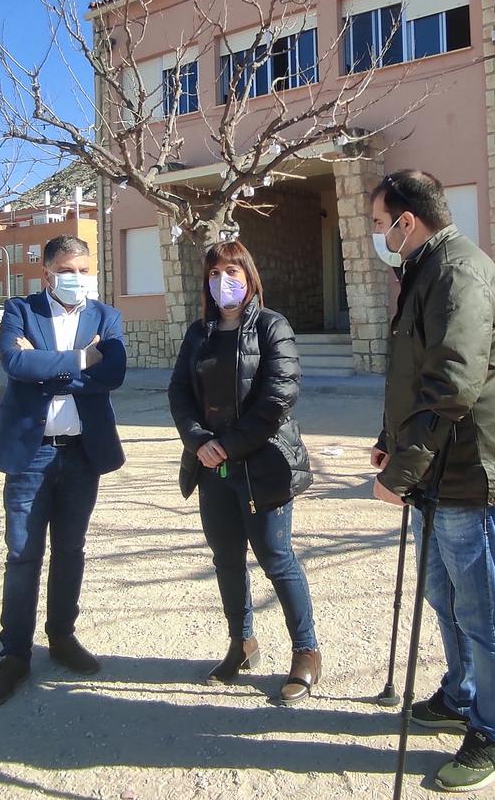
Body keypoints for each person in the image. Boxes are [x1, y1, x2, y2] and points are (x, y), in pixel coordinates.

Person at [368, 170, 495, 792]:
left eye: (379, 222)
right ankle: (461, 693)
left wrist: (404, 469)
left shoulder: (457, 273)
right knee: (444, 598)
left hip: (479, 474)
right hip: (443, 474)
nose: (378, 236)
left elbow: (453, 385)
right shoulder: (425, 271)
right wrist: (391, 443)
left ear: (406, 220)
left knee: (486, 613)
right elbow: (413, 373)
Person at [167, 240, 321, 704]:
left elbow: (278, 398)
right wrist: (200, 442)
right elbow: (179, 393)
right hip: (212, 467)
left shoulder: (274, 327)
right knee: (226, 559)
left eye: (231, 271)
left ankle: (306, 651)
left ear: (249, 276)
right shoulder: (199, 333)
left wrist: (228, 446)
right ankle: (242, 641)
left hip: (263, 466)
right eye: (214, 274)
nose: (222, 282)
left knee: (277, 558)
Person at [0, 234, 127, 708]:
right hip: (31, 454)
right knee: (22, 555)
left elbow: (116, 373)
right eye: (68, 270)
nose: (78, 278)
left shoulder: (106, 316)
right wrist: (84, 359)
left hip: (83, 453)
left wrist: (49, 368)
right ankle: (14, 655)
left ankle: (62, 636)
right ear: (47, 273)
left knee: (71, 550)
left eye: (85, 270)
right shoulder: (20, 310)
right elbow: (14, 360)